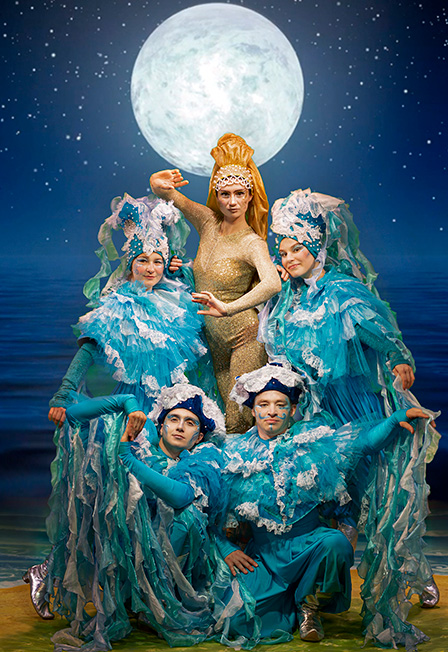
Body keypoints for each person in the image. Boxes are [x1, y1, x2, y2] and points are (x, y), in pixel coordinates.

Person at [24, 192, 216, 621]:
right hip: (134, 415)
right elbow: (88, 350)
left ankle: (142, 590)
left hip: (169, 416)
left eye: (157, 261)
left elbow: (197, 348)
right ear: (129, 264)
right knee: (115, 501)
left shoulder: (177, 301)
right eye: (142, 260)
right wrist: (64, 392)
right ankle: (48, 569)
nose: (150, 268)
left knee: (151, 506)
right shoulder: (117, 306)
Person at [258, 188, 440, 607]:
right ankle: (320, 590)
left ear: (317, 247)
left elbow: (379, 331)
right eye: (283, 252)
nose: (289, 258)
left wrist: (398, 359)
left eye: (297, 248)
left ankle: (411, 572)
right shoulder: (285, 300)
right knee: (330, 498)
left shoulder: (343, 290)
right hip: (315, 412)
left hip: (356, 406)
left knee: (378, 494)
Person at [215, 364, 434, 649]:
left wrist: (395, 420)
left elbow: (361, 444)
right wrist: (227, 548)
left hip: (309, 546)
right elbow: (210, 510)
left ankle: (309, 605)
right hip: (265, 556)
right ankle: (287, 600)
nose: (272, 411)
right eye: (264, 404)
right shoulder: (233, 453)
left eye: (280, 404)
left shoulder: (312, 442)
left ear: (293, 410)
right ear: (253, 410)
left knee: (335, 543)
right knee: (238, 622)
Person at [46, 384, 228, 652]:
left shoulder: (202, 462)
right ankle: (136, 597)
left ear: (199, 437)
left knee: (187, 517)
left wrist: (129, 461)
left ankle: (162, 601)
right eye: (173, 419)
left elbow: (181, 496)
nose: (179, 427)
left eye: (189, 423)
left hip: (176, 558)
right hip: (128, 550)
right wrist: (126, 401)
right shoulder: (141, 444)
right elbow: (73, 416)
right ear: (161, 426)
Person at [150, 133, 281, 432]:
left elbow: (273, 284)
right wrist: (156, 181)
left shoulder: (252, 242)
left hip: (245, 338)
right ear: (216, 195)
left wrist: (229, 308)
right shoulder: (207, 221)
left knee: (238, 420)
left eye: (239, 193)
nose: (232, 202)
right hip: (215, 341)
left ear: (250, 196)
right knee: (225, 421)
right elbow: (166, 193)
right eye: (225, 194)